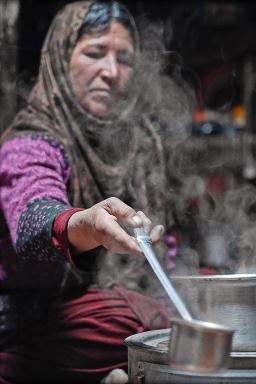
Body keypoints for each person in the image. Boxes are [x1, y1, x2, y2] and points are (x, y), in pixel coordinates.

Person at [0, 1, 194, 382]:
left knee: (198, 294)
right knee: (135, 317)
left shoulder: (136, 144)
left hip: (103, 308)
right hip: (34, 323)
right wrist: (87, 223)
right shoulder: (30, 142)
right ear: (59, 58)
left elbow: (164, 245)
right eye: (94, 53)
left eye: (125, 59)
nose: (111, 72)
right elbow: (32, 214)